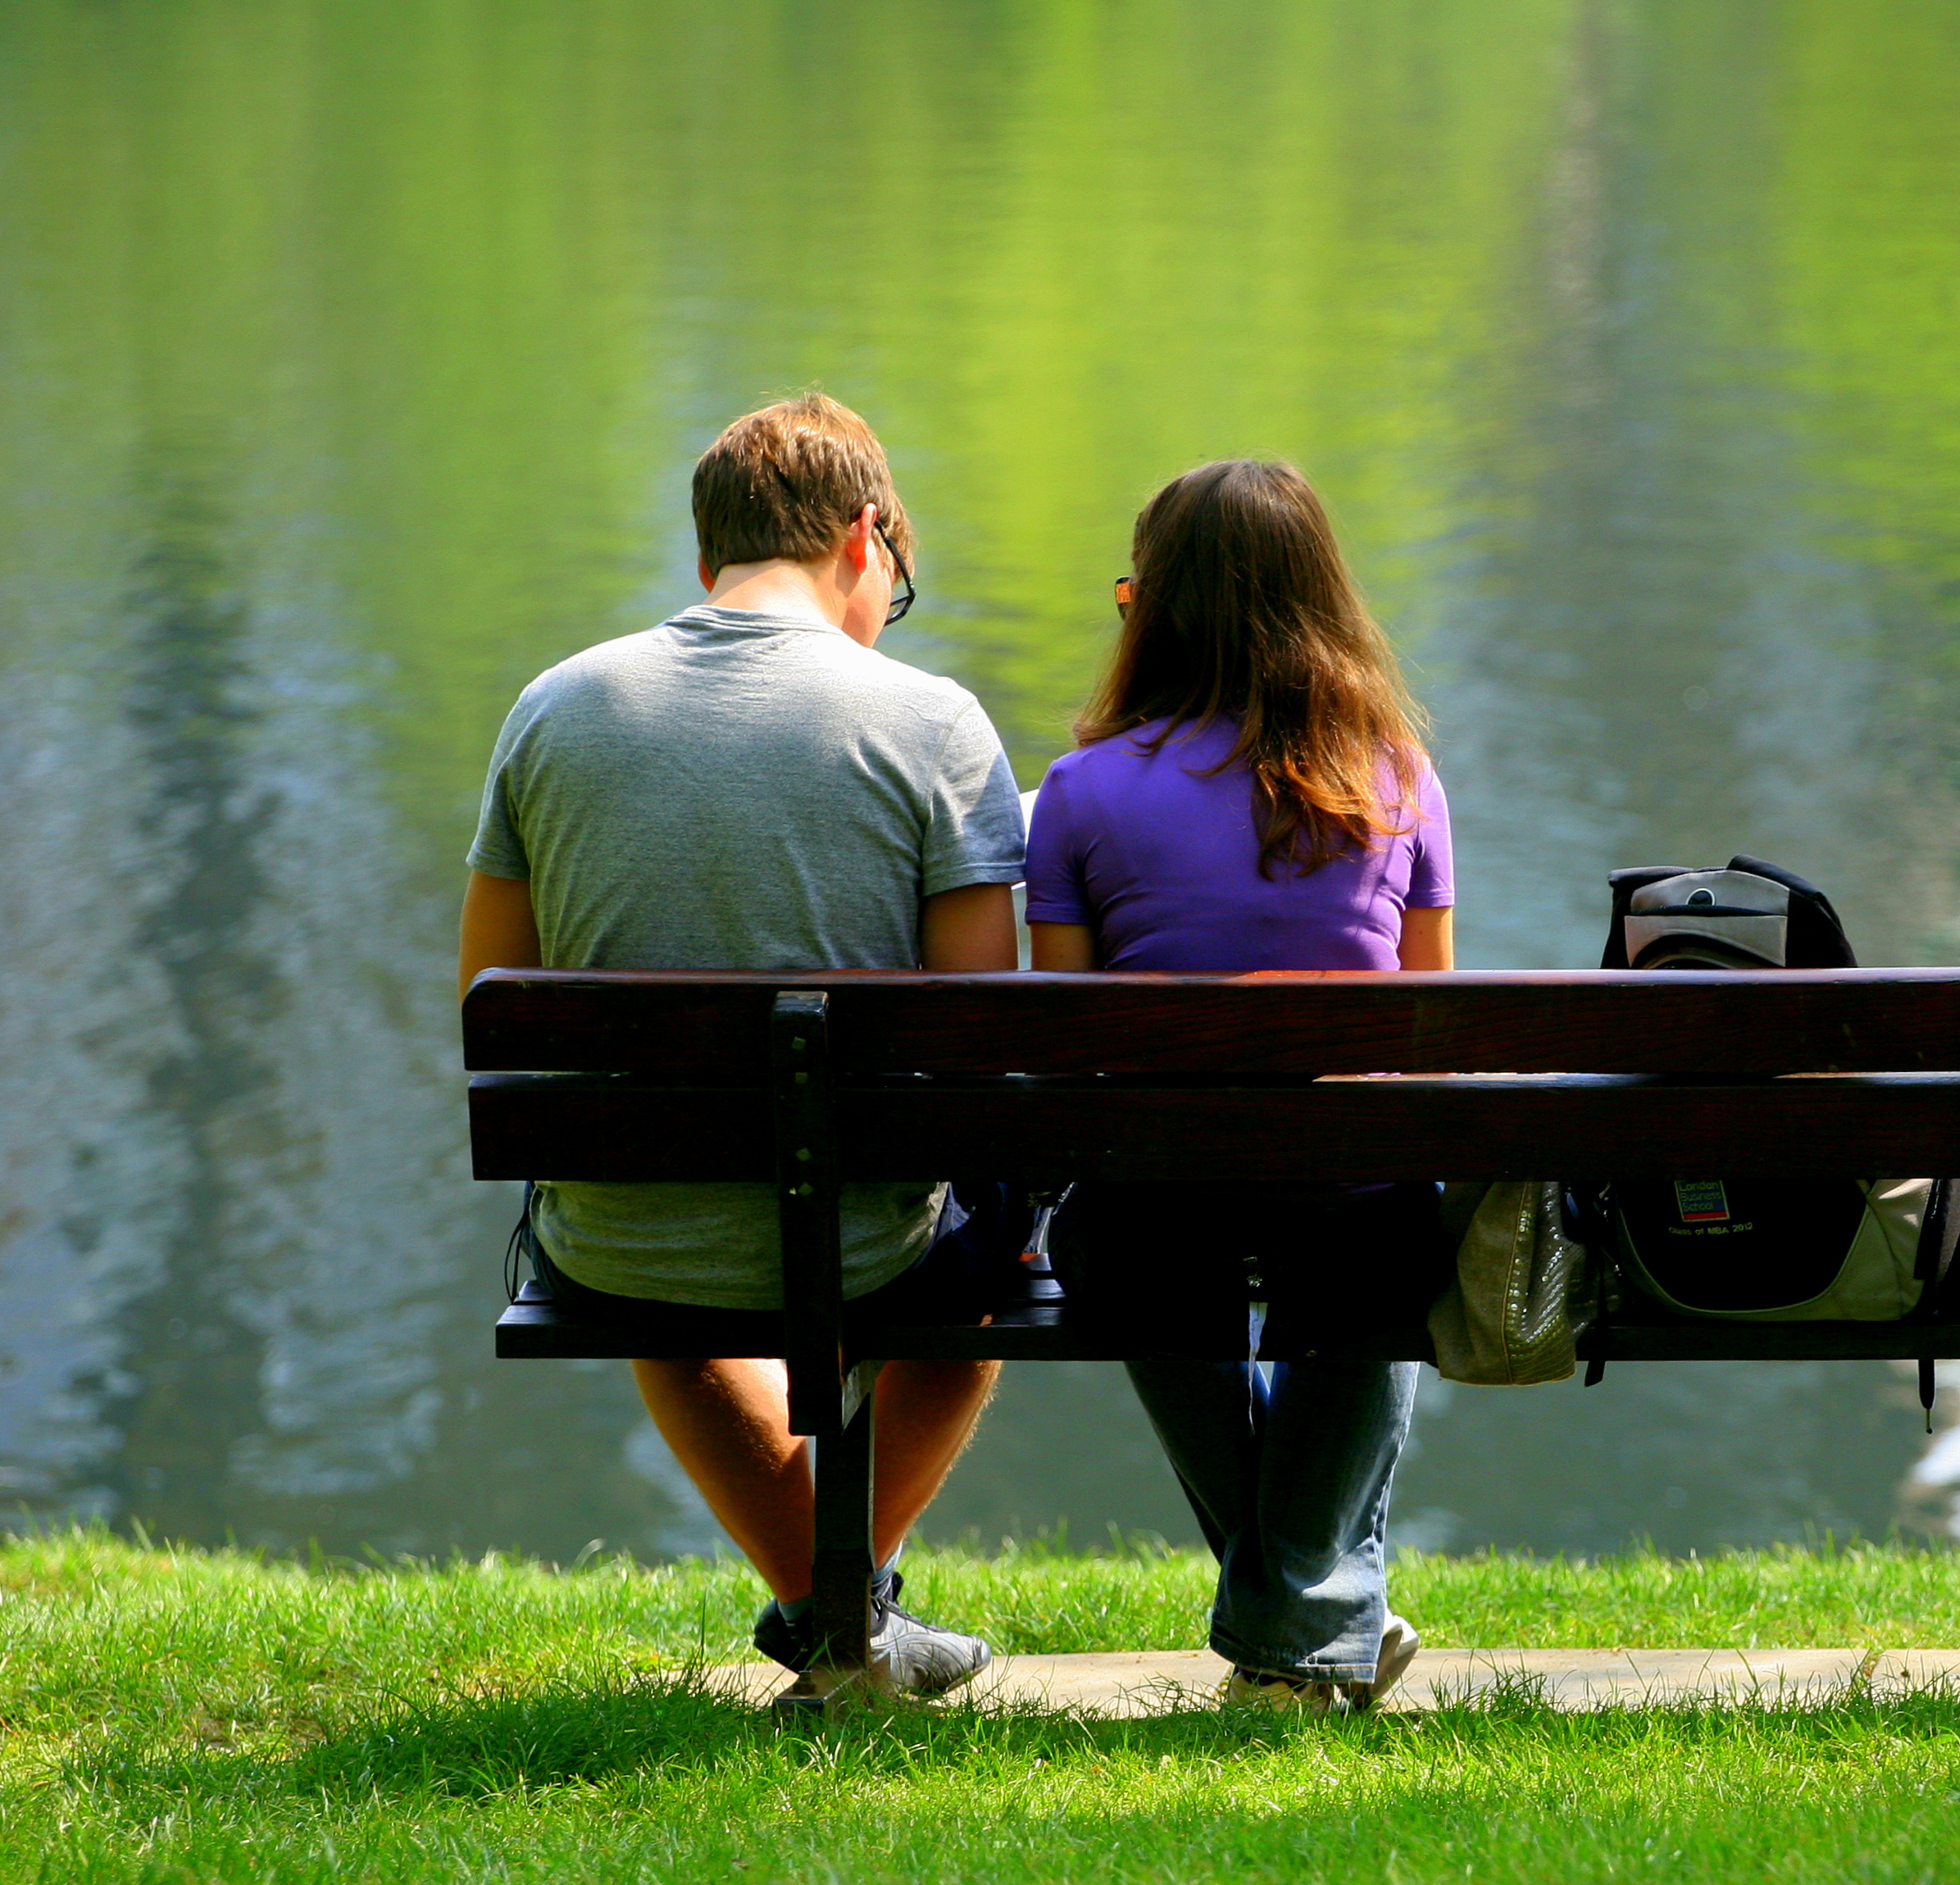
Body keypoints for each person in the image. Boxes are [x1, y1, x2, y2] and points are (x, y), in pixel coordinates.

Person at [457, 393, 1027, 1694]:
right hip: (872, 1242)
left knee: (664, 1255)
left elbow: (487, 997)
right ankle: (849, 1607)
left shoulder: (552, 708)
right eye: (897, 584)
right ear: (866, 538)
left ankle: (837, 1620)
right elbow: (978, 1037)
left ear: (708, 556)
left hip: (618, 1231)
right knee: (997, 1254)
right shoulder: (936, 724)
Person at [1025, 457, 1454, 1715]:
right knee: (1375, 1250)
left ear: (1152, 613)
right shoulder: (1397, 774)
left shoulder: (1080, 792)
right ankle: (1319, 1623)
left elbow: (1067, 1046)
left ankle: (1299, 1635)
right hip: (1359, 1211)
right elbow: (1428, 1033)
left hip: (1150, 1215)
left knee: (1130, 1248)